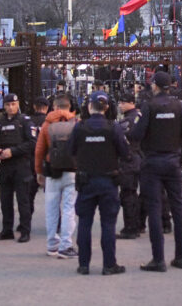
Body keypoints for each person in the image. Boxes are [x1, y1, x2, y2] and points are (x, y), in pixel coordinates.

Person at [128, 70, 182, 272]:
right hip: (173, 161)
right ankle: (180, 257)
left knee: (154, 209)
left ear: (155, 86)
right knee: (178, 208)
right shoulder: (180, 106)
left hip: (152, 162)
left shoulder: (149, 106)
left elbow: (136, 134)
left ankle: (158, 259)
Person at [71, 91, 131, 275]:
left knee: (84, 223)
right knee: (108, 224)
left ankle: (83, 265)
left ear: (89, 107)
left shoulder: (80, 128)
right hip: (108, 181)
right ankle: (109, 265)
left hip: (86, 180)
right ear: (106, 107)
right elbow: (125, 153)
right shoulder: (113, 128)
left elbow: (70, 150)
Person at [0, 93, 38, 242]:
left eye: (13, 104)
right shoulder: (0, 122)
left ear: (17, 105)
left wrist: (13, 151)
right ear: (4, 106)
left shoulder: (25, 122)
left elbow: (32, 143)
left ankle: (25, 230)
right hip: (5, 166)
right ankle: (7, 230)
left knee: (23, 200)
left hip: (21, 165)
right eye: (7, 105)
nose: (10, 107)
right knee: (5, 200)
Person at [35, 94, 78, 258]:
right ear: (69, 107)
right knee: (69, 209)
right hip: (72, 171)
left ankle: (52, 244)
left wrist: (39, 171)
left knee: (51, 208)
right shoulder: (75, 124)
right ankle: (66, 245)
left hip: (52, 171)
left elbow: (39, 151)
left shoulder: (47, 125)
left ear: (55, 107)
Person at [116, 93, 143, 240]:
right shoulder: (140, 116)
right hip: (141, 158)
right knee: (137, 194)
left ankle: (131, 228)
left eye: (123, 102)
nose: (120, 105)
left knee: (128, 193)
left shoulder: (129, 121)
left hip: (130, 160)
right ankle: (138, 224)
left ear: (131, 103)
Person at [27, 96, 50, 212]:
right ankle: (57, 222)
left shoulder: (28, 121)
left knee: (29, 194)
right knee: (51, 195)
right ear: (46, 108)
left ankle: (25, 222)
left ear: (34, 107)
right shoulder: (50, 121)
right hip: (47, 159)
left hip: (31, 159)